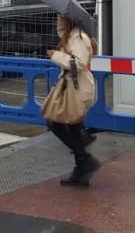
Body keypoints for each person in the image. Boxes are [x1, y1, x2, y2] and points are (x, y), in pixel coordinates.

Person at [45, 15, 101, 187]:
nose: (59, 20)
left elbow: (79, 63)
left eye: (62, 17)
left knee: (55, 123)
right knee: (74, 128)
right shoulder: (72, 35)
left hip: (77, 88)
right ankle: (81, 170)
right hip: (73, 86)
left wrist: (56, 56)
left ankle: (86, 160)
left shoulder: (79, 37)